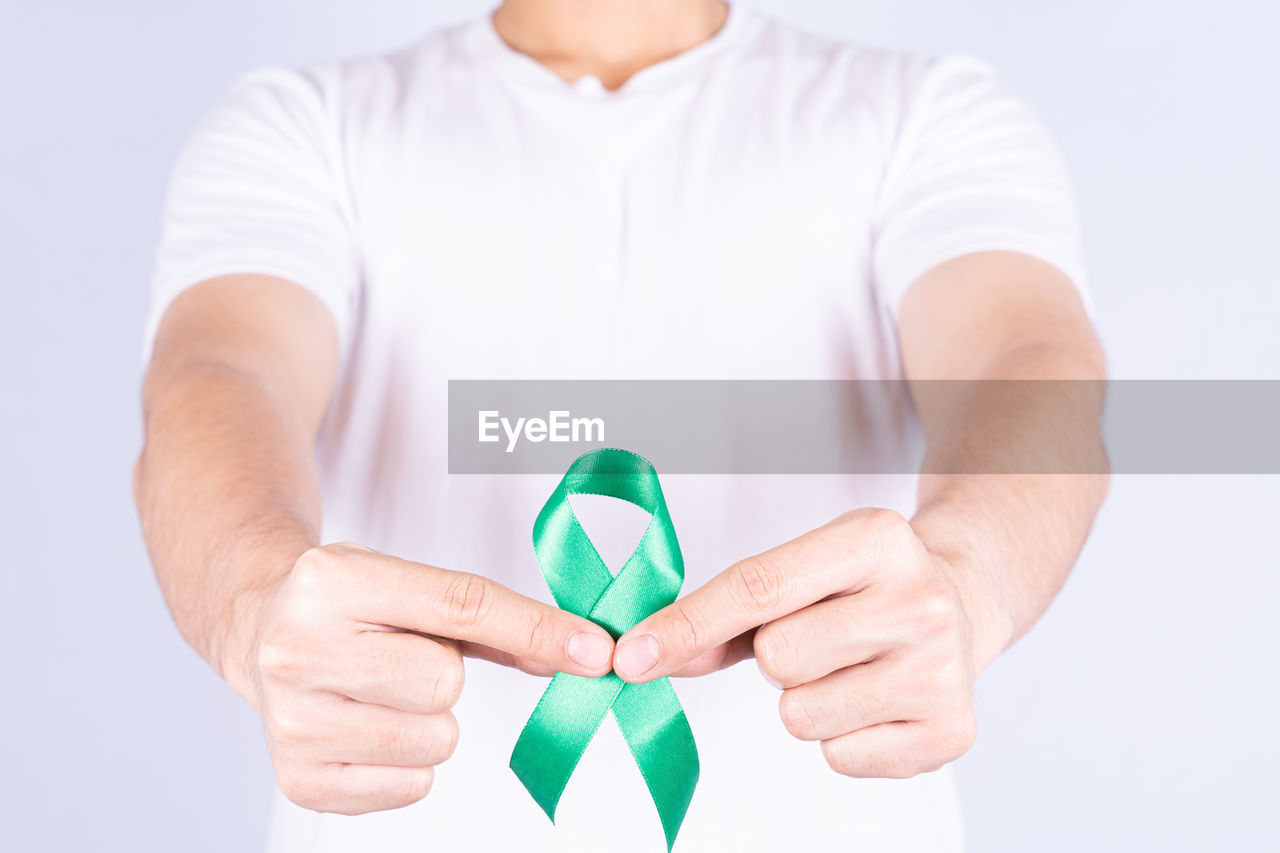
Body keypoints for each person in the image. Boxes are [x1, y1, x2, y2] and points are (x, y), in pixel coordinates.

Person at [134, 1, 1108, 850]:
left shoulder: (926, 114)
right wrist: (250, 594)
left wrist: (968, 575)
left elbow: (1024, 367)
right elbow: (218, 379)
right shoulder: (301, 126)